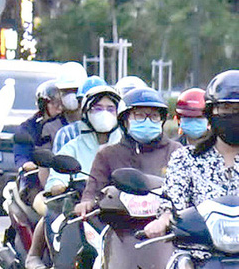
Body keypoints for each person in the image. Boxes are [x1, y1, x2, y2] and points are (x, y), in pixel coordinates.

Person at [38, 82, 122, 269]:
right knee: (65, 267)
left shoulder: (126, 145)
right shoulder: (73, 145)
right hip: (80, 215)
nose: (105, 113)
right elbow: (55, 182)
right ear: (86, 112)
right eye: (98, 108)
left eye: (111, 108)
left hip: (120, 217)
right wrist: (62, 186)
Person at [143, 70, 239, 240]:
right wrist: (164, 220)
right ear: (210, 114)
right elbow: (172, 202)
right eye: (226, 109)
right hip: (197, 255)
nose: (234, 116)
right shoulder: (186, 159)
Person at [74, 87, 177, 216]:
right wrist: (86, 203)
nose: (147, 121)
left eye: (154, 116)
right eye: (139, 115)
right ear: (125, 121)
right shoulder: (107, 155)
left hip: (165, 227)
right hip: (118, 226)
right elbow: (92, 193)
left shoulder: (177, 153)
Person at [13, 79, 64, 168]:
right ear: (43, 104)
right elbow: (21, 153)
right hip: (37, 174)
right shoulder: (28, 127)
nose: (59, 108)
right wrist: (26, 164)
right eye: (54, 103)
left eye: (62, 103)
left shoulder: (68, 124)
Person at [40, 62, 88, 146]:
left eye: (75, 90)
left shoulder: (93, 125)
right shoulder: (50, 128)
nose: (71, 96)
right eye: (66, 91)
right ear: (59, 93)